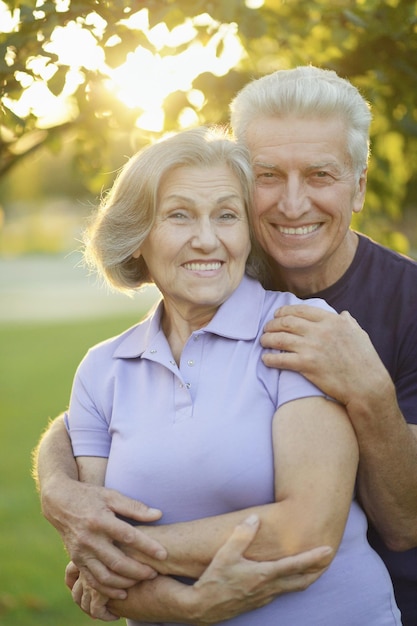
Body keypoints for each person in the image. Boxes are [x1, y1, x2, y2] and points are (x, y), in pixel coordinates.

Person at [33, 66, 417, 622]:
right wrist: (61, 494)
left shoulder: (355, 316)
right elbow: (87, 422)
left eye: (319, 175)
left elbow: (396, 524)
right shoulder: (148, 334)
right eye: (267, 175)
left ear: (358, 186)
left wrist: (371, 390)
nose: (291, 204)